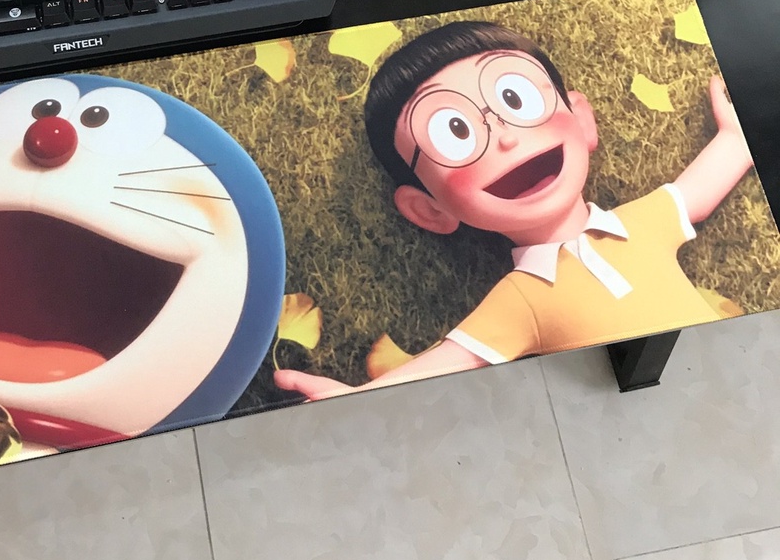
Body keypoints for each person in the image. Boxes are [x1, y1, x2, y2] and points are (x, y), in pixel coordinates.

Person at [275, 21, 753, 400]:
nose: (505, 138)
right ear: (428, 209)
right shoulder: (521, 300)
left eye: (516, 99)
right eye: (456, 133)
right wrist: (358, 398)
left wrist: (738, 135)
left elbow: (698, 187)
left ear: (581, 120)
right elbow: (452, 360)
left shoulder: (641, 223)